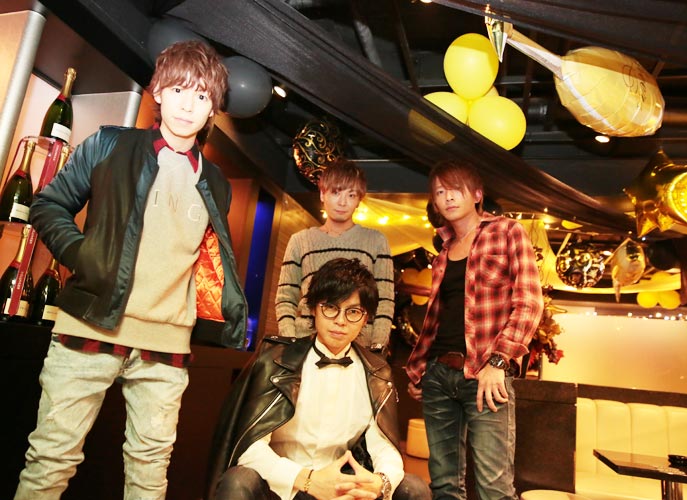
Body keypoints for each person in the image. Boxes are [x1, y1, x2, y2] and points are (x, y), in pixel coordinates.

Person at [14, 40, 248, 500]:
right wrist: (84, 255)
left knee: (149, 474)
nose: (188, 105)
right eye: (178, 90)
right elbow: (48, 205)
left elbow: (209, 262)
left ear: (213, 109)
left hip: (166, 345)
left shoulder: (216, 183)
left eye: (201, 95)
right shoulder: (109, 144)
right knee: (50, 462)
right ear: (157, 91)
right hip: (88, 328)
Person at [207, 258, 430, 500]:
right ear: (313, 308)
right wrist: (307, 480)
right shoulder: (275, 362)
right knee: (238, 480)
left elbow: (384, 447)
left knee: (414, 488)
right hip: (280, 486)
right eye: (330, 307)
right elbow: (250, 450)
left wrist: (380, 482)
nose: (341, 321)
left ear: (366, 318)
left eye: (353, 312)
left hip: (340, 489)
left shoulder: (376, 373)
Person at [405, 160, 543, 500]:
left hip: (486, 375)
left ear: (477, 194)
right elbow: (438, 319)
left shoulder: (508, 232)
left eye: (456, 189)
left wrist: (499, 362)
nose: (448, 197)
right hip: (439, 375)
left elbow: (529, 302)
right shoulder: (443, 252)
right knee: (444, 486)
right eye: (440, 192)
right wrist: (421, 370)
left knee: (494, 488)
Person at [275, 159, 394, 352]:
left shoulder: (376, 241)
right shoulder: (300, 240)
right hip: (306, 343)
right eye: (336, 192)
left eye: (351, 195)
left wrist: (377, 345)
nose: (342, 202)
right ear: (323, 194)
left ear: (359, 200)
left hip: (359, 345)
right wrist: (290, 341)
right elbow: (285, 297)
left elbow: (385, 300)